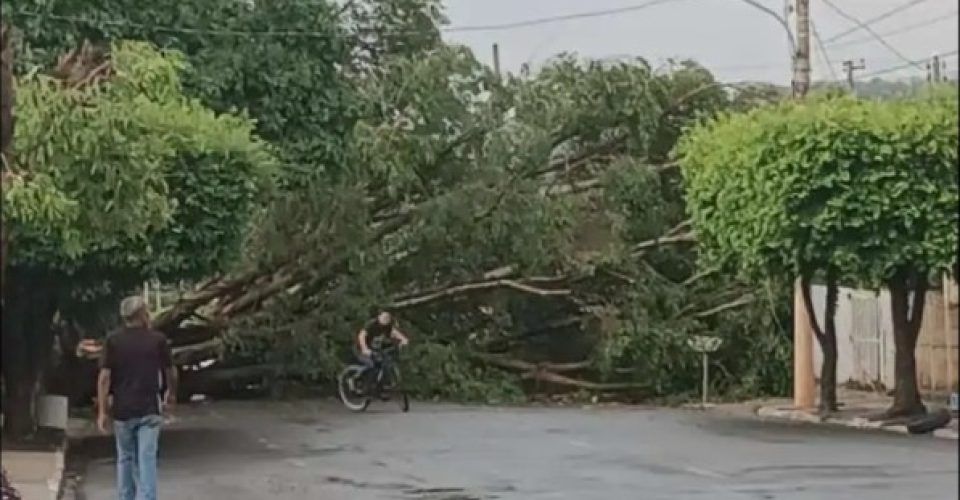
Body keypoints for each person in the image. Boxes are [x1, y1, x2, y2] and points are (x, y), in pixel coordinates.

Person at [97, 296, 177, 500]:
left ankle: (126, 497)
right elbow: (170, 371)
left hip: (122, 410)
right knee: (147, 459)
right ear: (142, 314)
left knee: (125, 458)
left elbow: (105, 377)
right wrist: (171, 394)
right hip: (149, 408)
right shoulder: (157, 340)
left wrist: (103, 410)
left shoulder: (113, 340)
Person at [353, 311, 409, 388]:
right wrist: (364, 349)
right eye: (384, 317)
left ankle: (378, 387)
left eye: (388, 318)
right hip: (361, 349)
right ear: (379, 316)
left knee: (382, 364)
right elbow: (361, 335)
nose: (386, 319)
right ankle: (357, 378)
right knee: (371, 365)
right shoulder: (372, 324)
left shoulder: (387, 326)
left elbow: (394, 332)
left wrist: (403, 339)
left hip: (374, 349)